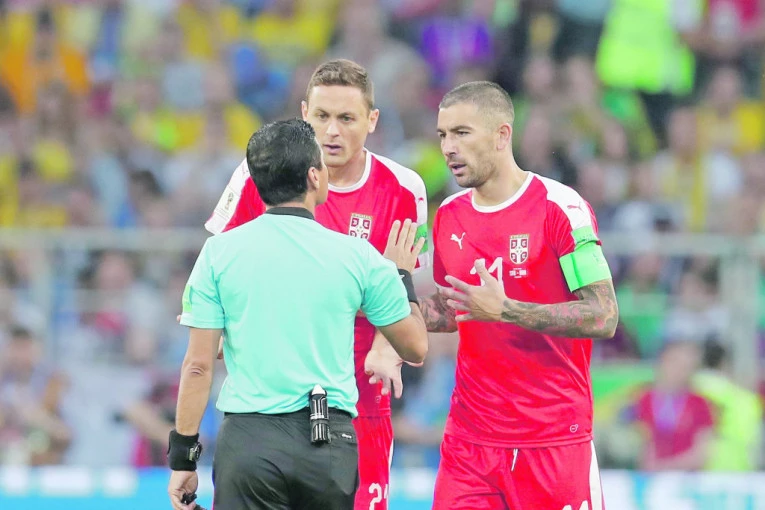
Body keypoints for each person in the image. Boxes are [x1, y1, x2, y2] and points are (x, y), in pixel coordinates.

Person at [166, 119, 428, 510]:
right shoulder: (356, 256)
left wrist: (183, 459)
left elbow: (198, 367)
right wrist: (401, 275)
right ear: (314, 176)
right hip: (328, 445)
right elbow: (415, 346)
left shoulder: (218, 254)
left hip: (249, 443)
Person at [418, 81, 619, 509]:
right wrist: (382, 297)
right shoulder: (449, 215)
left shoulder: (561, 208)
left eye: (462, 133)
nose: (448, 148)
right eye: (443, 135)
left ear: (501, 135)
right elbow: (453, 309)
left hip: (552, 440)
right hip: (470, 443)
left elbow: (604, 315)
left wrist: (508, 310)